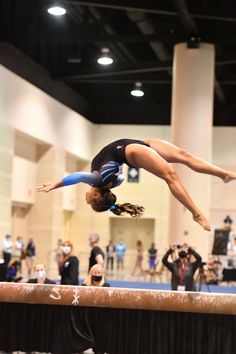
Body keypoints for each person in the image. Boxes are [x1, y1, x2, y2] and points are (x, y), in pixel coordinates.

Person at [37, 138, 236, 231]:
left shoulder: (109, 183)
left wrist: (55, 185)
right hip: (132, 151)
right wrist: (55, 185)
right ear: (96, 196)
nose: (87, 200)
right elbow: (77, 176)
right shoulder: (98, 181)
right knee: (171, 176)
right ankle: (196, 213)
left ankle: (223, 174)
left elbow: (118, 177)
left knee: (184, 155)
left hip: (138, 145)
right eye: (90, 203)